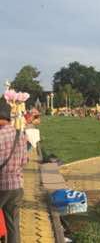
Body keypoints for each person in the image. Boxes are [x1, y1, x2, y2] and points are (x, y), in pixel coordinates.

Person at [0, 100, 28, 243]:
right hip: (16, 185)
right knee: (13, 224)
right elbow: (24, 161)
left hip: (1, 185)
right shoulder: (20, 135)